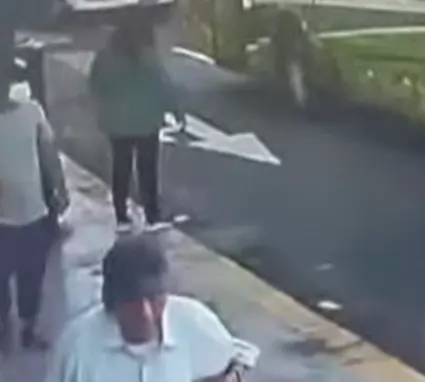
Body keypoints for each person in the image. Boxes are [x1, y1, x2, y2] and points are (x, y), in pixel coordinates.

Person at [45, 234, 257, 382]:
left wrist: (232, 376)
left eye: (154, 299)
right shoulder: (77, 347)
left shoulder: (194, 321)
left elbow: (236, 358)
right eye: (133, 302)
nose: (146, 313)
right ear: (112, 301)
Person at [88, 19, 184, 233]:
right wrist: (176, 112)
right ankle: (152, 214)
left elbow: (95, 84)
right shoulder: (148, 58)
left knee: (120, 168)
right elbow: (163, 86)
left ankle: (121, 215)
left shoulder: (106, 57)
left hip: (116, 124)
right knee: (147, 170)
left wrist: (106, 107)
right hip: (146, 123)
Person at [0, 61, 67, 351]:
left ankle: (20, 327)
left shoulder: (32, 113)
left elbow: (47, 153)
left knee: (29, 276)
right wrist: (59, 188)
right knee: (22, 275)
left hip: (31, 211)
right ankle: (15, 328)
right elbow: (48, 154)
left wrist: (58, 188)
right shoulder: (31, 113)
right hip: (23, 212)